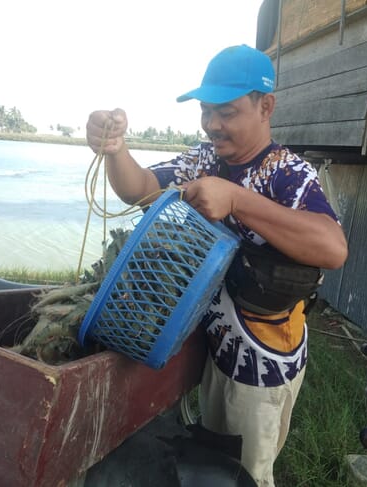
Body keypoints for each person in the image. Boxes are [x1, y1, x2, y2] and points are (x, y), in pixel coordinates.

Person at [86, 44, 348, 487]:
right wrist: (116, 150)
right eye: (206, 112)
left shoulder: (288, 174)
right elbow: (142, 188)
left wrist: (238, 200)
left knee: (244, 476)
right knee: (208, 465)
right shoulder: (204, 160)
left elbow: (333, 247)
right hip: (210, 347)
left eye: (226, 112)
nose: (212, 125)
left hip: (261, 367)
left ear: (266, 107)